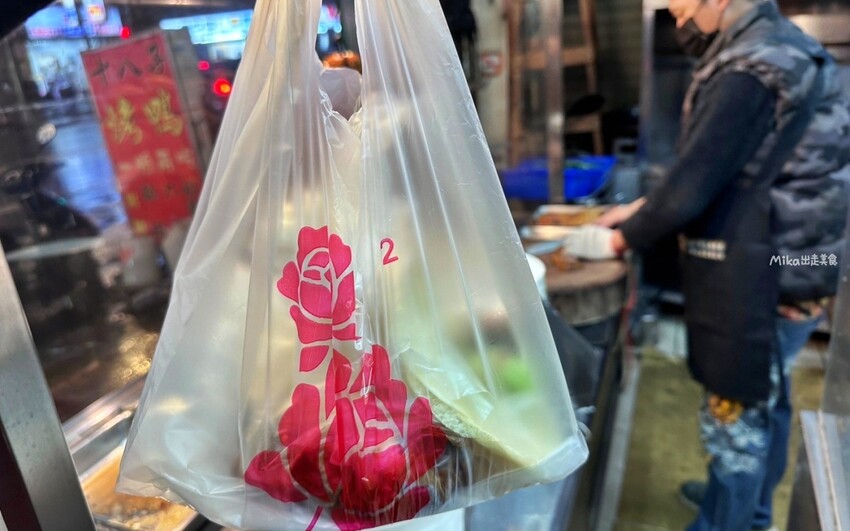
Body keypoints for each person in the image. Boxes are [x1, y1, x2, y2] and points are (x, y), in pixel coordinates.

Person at [564, 0, 850, 530]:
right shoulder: (783, 48)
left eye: (680, 10)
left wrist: (618, 239)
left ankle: (726, 518)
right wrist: (642, 208)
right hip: (799, 263)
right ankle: (749, 509)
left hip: (764, 273)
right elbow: (733, 167)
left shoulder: (749, 71)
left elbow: (694, 184)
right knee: (765, 399)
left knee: (734, 417)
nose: (680, 23)